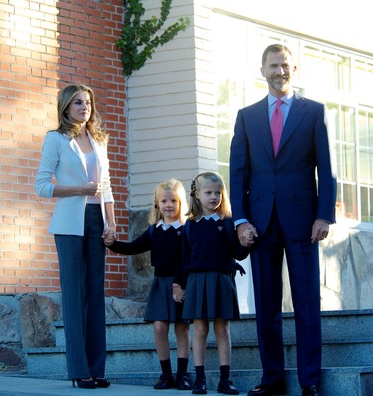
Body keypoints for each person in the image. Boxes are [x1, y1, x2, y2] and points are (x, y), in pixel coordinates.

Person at [229, 44, 337, 396]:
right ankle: (272, 379)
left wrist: (324, 214)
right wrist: (241, 220)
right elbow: (238, 173)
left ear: (295, 69)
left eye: (286, 65)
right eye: (274, 65)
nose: (280, 71)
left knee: (307, 302)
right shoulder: (246, 116)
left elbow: (328, 170)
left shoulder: (314, 112)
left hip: (305, 221)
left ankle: (310, 381)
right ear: (262, 70)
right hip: (260, 223)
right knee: (266, 304)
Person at [34, 84, 116, 389]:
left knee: (95, 295)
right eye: (78, 102)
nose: (85, 107)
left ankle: (97, 369)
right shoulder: (55, 140)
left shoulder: (98, 140)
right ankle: (79, 371)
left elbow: (105, 183)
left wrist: (113, 220)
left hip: (98, 221)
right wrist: (78, 190)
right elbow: (42, 186)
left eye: (88, 102)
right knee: (73, 295)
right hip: (69, 224)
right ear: (66, 107)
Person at [104, 179, 193, 391]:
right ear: (157, 204)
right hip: (160, 284)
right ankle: (165, 375)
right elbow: (133, 247)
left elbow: (188, 259)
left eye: (173, 200)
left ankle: (183, 374)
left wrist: (180, 284)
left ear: (181, 203)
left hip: (180, 284)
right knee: (159, 327)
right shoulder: (155, 230)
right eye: (164, 201)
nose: (168, 205)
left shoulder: (187, 229)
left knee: (181, 327)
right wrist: (111, 244)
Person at [174, 171, 250, 395]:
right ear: (197, 195)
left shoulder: (228, 223)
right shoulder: (189, 226)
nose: (214, 197)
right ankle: (200, 379)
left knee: (222, 329)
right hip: (197, 281)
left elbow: (237, 252)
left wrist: (246, 243)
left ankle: (225, 380)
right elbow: (184, 259)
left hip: (222, 280)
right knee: (199, 329)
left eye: (218, 193)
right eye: (208, 192)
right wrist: (178, 284)